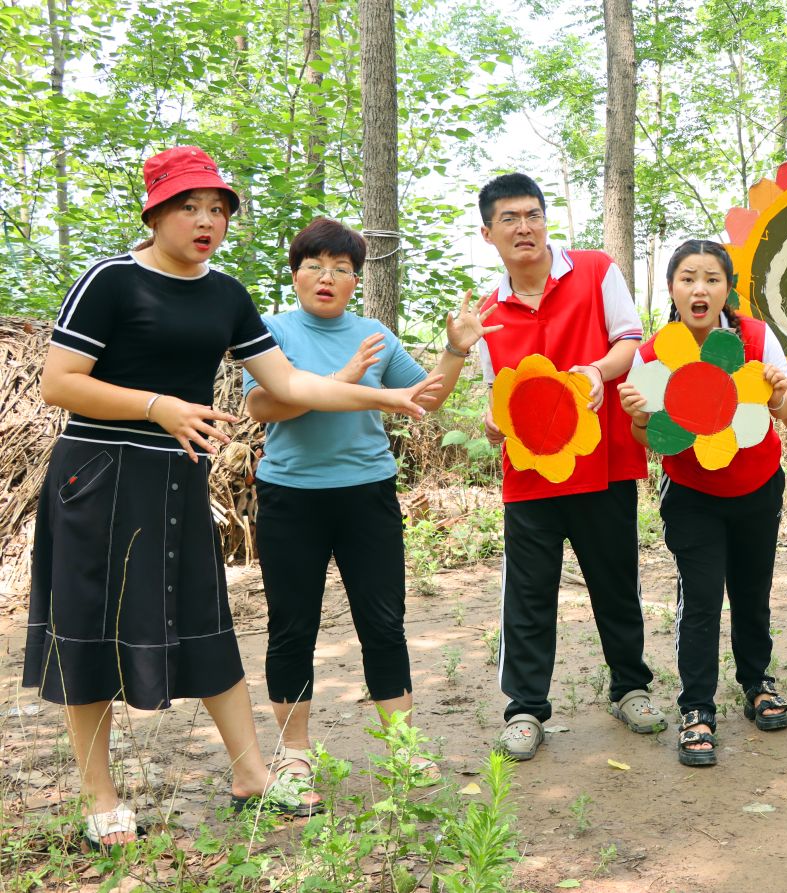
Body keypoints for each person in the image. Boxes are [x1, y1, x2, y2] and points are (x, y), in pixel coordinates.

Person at [23, 147, 439, 848]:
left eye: (217, 207)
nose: (206, 219)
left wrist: (387, 395)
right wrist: (157, 405)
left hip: (176, 474)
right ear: (154, 211)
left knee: (207, 618)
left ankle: (251, 773)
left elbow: (291, 385)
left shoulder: (227, 294)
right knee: (90, 629)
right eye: (189, 205)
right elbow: (59, 382)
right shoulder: (111, 280)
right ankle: (100, 796)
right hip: (98, 473)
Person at [242, 217, 497, 783]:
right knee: (292, 625)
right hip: (291, 497)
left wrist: (455, 352)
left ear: (357, 279)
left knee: (383, 623)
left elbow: (422, 399)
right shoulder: (272, 330)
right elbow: (262, 407)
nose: (327, 277)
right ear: (295, 275)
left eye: (341, 269)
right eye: (315, 266)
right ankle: (295, 755)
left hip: (367, 496)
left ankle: (403, 751)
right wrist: (343, 377)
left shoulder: (374, 333)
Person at [475, 173, 662, 760]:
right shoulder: (487, 315)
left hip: (603, 463)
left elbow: (631, 342)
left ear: (546, 220)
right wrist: (492, 423)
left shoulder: (596, 270)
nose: (523, 227)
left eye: (532, 214)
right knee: (528, 594)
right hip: (529, 475)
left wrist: (595, 372)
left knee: (615, 581)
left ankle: (631, 688)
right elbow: (493, 400)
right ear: (488, 233)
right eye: (509, 218)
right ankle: (525, 709)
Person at [616, 239, 787, 766]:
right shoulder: (654, 353)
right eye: (687, 278)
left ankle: (757, 684)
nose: (699, 288)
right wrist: (637, 416)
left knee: (753, 592)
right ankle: (697, 709)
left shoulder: (755, 337)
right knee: (700, 600)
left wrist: (778, 394)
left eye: (711, 278)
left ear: (728, 290)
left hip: (758, 487)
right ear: (672, 289)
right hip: (692, 496)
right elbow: (647, 437)